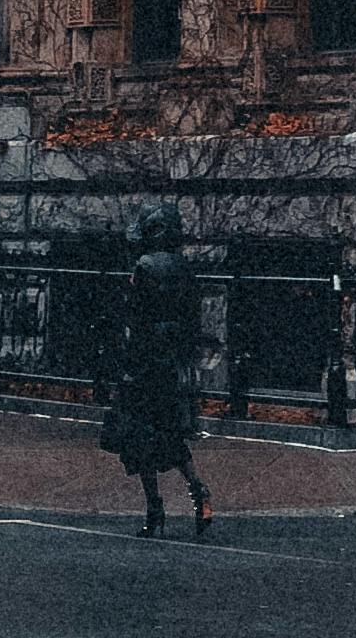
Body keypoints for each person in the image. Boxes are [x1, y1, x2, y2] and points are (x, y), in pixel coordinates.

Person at [104, 204, 210, 538]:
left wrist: (126, 366)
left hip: (145, 362)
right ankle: (200, 495)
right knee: (173, 435)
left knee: (139, 437)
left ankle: (154, 509)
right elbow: (193, 316)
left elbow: (134, 318)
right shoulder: (184, 268)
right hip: (172, 363)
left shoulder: (145, 266)